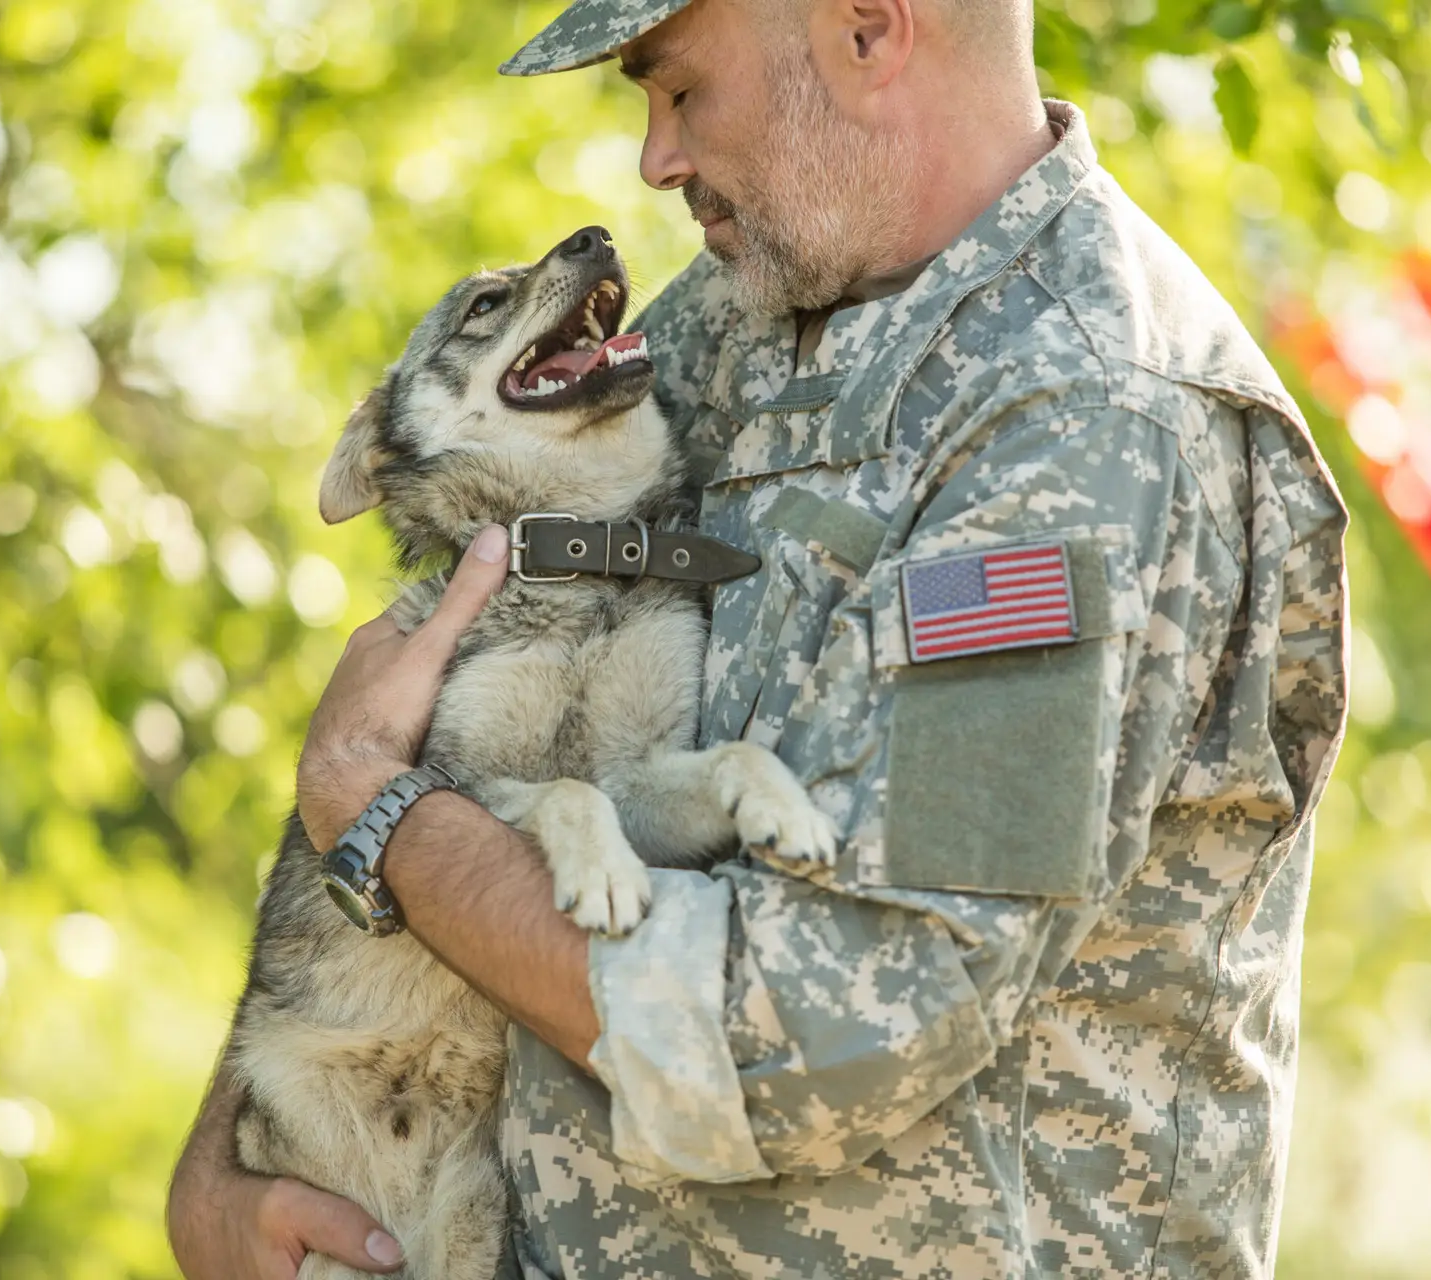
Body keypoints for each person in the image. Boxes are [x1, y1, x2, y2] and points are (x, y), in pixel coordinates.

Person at [168, 0, 1350, 1275]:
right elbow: (405, 739)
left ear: (865, 30)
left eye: (677, 92)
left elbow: (824, 1029)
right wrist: (228, 1166)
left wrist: (384, 816)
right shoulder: (739, 321)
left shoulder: (1085, 420)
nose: (654, 160)